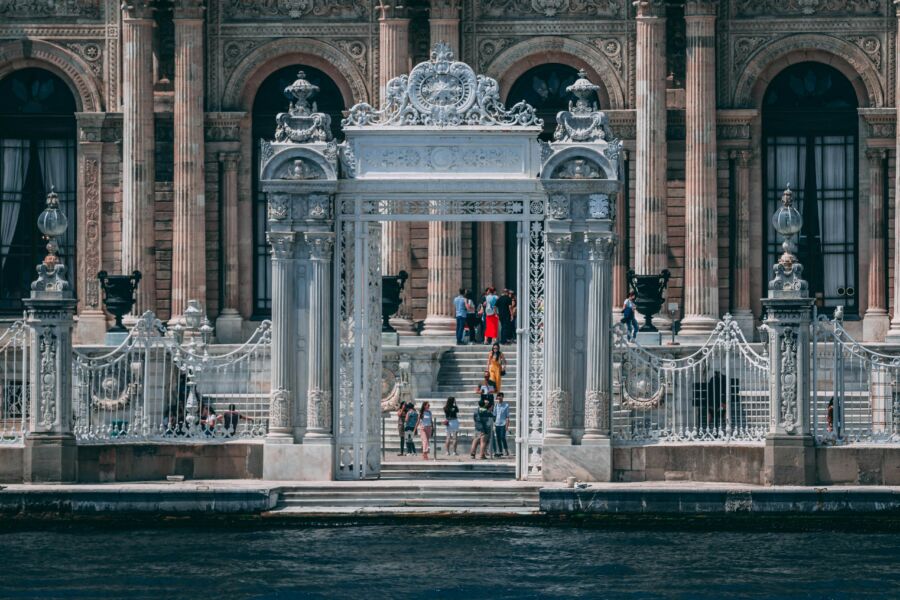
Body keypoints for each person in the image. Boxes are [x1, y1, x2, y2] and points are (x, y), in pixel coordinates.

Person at [493, 392, 510, 457]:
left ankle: (506, 450)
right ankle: (500, 451)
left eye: (500, 396)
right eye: (498, 396)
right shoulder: (496, 405)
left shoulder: (506, 405)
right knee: (498, 438)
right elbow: (494, 415)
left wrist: (507, 425)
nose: (499, 398)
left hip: (503, 423)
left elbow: (507, 416)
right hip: (497, 423)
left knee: (503, 437)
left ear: (503, 397)